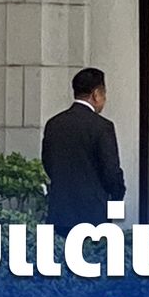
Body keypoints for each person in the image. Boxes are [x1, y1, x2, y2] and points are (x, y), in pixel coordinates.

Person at [41, 68, 126, 235]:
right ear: (96, 94)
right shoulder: (103, 127)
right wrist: (117, 198)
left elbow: (48, 163)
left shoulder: (54, 124)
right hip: (94, 214)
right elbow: (111, 172)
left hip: (60, 211)